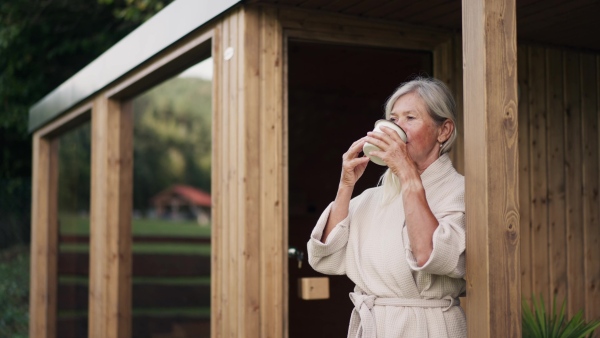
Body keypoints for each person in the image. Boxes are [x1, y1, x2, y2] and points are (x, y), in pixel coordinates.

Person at [307, 77, 466, 338]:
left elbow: (431, 254)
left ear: (444, 131)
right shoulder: (372, 197)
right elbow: (326, 257)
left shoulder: (458, 191)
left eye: (410, 118)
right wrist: (346, 185)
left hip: (428, 327)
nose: (396, 129)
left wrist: (406, 171)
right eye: (393, 120)